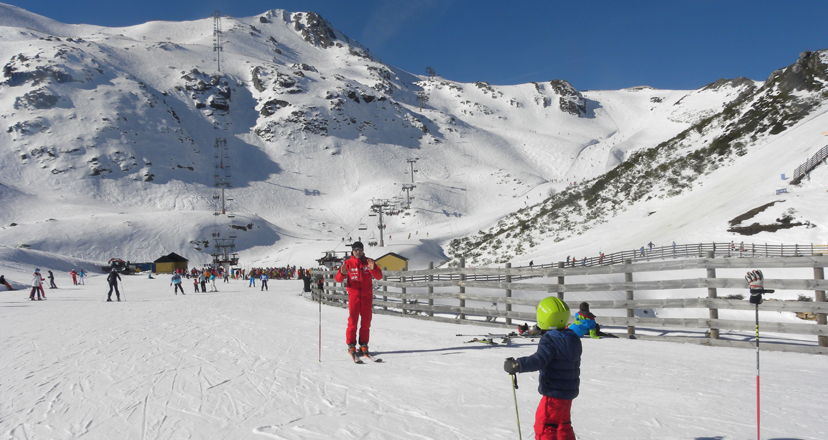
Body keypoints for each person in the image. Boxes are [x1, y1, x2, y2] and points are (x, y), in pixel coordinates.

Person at [504, 297, 582, 440]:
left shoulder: (550, 339)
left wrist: (518, 365)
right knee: (562, 424)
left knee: (545, 425)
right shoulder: (573, 338)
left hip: (553, 393)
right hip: (568, 393)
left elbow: (539, 360)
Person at [334, 241, 383, 356]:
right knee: (353, 321)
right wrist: (341, 272)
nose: (358, 252)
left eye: (360, 250)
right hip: (354, 297)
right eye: (356, 250)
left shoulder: (369, 262)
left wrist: (373, 268)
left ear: (363, 250)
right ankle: (351, 345)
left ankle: (363, 344)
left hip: (366, 297)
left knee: (366, 322)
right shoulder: (348, 263)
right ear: (352, 251)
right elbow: (338, 279)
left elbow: (379, 276)